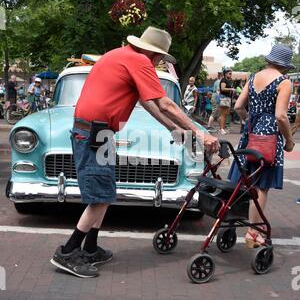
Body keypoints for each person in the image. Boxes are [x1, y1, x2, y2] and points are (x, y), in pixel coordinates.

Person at [50, 26, 220, 278]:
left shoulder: (121, 56)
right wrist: (200, 134)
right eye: (161, 57)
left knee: (105, 192)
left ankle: (90, 249)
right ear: (151, 53)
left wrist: (173, 127)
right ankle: (67, 252)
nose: (160, 62)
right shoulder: (139, 60)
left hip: (97, 132)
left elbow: (148, 103)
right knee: (100, 196)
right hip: (93, 133)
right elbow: (165, 103)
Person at [229, 43, 295, 247]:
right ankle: (253, 232)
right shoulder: (284, 82)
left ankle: (233, 222)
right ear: (284, 65)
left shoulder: (252, 77)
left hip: (250, 134)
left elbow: (238, 106)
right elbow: (281, 116)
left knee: (244, 180)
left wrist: (251, 120)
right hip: (269, 139)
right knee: (261, 186)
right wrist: (289, 140)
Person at [219, 69, 235, 135]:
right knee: (223, 114)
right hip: (224, 98)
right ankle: (221, 129)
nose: (231, 75)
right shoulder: (223, 80)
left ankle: (222, 128)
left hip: (227, 98)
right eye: (229, 73)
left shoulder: (229, 81)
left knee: (225, 114)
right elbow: (223, 88)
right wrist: (231, 89)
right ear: (225, 74)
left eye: (231, 73)